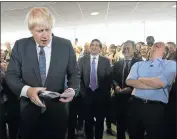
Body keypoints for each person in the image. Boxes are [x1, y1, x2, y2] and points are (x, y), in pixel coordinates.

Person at [5, 7, 80, 139]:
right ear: (31, 30)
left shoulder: (65, 45)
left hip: (57, 112)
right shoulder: (20, 46)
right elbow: (11, 75)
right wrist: (27, 91)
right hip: (29, 112)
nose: (45, 35)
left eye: (48, 29)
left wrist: (72, 90)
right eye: (39, 31)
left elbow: (74, 73)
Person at [126, 42, 176, 139]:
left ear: (164, 52)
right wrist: (153, 84)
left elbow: (161, 83)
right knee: (134, 135)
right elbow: (130, 81)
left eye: (158, 46)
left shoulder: (170, 64)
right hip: (135, 105)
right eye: (153, 46)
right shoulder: (138, 64)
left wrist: (140, 79)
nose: (153, 47)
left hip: (155, 109)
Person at [78, 39, 111, 139]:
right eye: (92, 45)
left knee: (100, 121)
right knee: (87, 121)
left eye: (97, 45)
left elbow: (108, 79)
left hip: (100, 95)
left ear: (100, 48)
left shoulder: (105, 61)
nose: (94, 47)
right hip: (87, 94)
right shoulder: (82, 60)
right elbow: (78, 78)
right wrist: (83, 93)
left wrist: (104, 94)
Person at [112, 40, 141, 139]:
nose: (125, 50)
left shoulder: (140, 64)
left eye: (128, 48)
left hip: (134, 100)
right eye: (124, 48)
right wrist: (116, 86)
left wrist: (131, 88)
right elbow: (113, 78)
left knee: (133, 128)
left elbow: (141, 79)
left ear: (134, 50)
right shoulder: (117, 64)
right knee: (120, 127)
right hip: (119, 99)